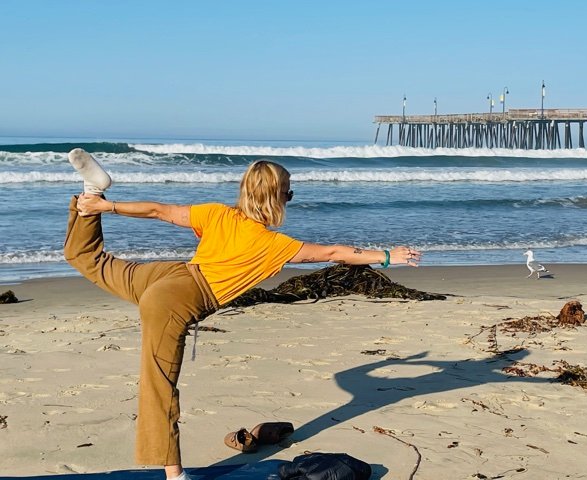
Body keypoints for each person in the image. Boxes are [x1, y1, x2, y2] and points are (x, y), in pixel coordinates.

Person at [63, 148, 420, 480]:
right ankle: (175, 477)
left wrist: (107, 208)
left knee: (85, 258)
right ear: (275, 199)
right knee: (159, 386)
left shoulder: (217, 214)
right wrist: (387, 256)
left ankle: (89, 195)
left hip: (166, 274)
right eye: (288, 194)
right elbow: (335, 252)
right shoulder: (275, 245)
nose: (289, 199)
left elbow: (159, 210)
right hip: (177, 298)